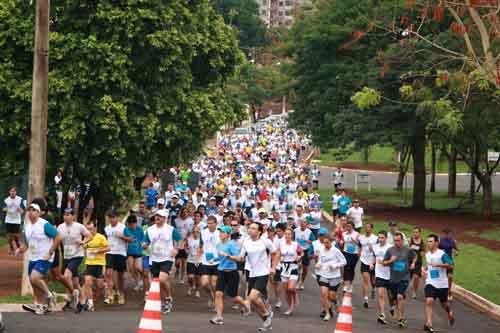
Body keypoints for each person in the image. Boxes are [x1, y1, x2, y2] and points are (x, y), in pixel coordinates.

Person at [18, 202, 61, 315]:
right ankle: (41, 305)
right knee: (34, 283)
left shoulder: (44, 224)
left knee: (34, 277)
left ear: (38, 213)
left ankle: (49, 295)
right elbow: (26, 244)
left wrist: (50, 252)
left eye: (34, 210)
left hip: (45, 257)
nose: (31, 212)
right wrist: (20, 249)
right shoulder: (27, 227)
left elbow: (58, 237)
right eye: (29, 210)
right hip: (33, 257)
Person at [237, 222, 278, 332]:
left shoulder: (265, 241)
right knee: (255, 303)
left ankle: (267, 313)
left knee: (253, 297)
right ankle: (266, 322)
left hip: (263, 272)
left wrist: (273, 267)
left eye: (253, 228)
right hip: (252, 273)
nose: (250, 230)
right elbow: (241, 257)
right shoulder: (246, 242)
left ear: (259, 231)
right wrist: (230, 257)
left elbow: (276, 253)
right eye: (250, 228)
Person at [143, 209, 183, 314]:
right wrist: (144, 245)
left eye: (160, 216)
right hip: (154, 258)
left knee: (162, 279)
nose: (157, 218)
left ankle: (169, 298)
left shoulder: (170, 229)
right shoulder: (150, 230)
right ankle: (162, 302)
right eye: (156, 216)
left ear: (165, 218)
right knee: (157, 282)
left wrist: (176, 249)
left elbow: (180, 240)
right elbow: (145, 242)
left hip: (167, 258)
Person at [209, 226, 250, 325]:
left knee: (233, 297)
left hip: (232, 273)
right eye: (220, 232)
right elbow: (220, 257)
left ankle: (245, 304)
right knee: (218, 294)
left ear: (228, 234)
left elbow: (238, 259)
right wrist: (214, 259)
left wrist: (227, 255)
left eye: (222, 232)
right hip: (221, 272)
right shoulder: (218, 245)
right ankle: (219, 317)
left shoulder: (232, 245)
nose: (220, 234)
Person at [57, 208, 92, 311]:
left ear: (73, 216)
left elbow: (89, 236)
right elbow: (56, 239)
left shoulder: (79, 226)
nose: (66, 217)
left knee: (67, 275)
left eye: (68, 215)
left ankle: (71, 298)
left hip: (77, 255)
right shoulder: (60, 227)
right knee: (75, 282)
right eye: (65, 214)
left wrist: (83, 242)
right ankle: (82, 300)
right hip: (66, 256)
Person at [382, 232, 417, 328]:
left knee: (400, 297)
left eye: (398, 240)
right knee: (395, 299)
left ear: (402, 240)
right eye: (395, 240)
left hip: (404, 277)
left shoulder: (408, 250)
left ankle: (401, 318)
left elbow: (415, 256)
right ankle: (397, 312)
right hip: (393, 279)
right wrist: (390, 261)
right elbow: (384, 263)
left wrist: (413, 263)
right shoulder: (390, 250)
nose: (396, 242)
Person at [423, 234, 455, 332]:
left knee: (444, 303)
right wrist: (425, 269)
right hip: (430, 282)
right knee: (429, 301)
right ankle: (429, 323)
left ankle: (449, 311)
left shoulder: (442, 254)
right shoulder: (427, 254)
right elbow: (429, 266)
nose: (428, 243)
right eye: (428, 241)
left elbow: (451, 265)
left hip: (442, 284)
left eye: (431, 241)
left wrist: (439, 265)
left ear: (436, 243)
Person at [76, 220, 109, 313]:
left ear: (95, 228)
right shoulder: (86, 238)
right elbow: (84, 247)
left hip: (99, 264)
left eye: (91, 228)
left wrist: (98, 251)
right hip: (89, 263)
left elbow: (108, 248)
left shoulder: (101, 237)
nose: (89, 231)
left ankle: (105, 286)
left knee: (99, 285)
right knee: (88, 282)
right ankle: (90, 304)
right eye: (88, 229)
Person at [315, 234, 346, 322]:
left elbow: (344, 261)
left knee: (331, 296)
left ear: (331, 242)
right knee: (324, 294)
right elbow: (321, 260)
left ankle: (335, 302)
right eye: (324, 243)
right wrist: (318, 264)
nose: (326, 245)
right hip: (324, 275)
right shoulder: (321, 250)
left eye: (327, 243)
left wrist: (335, 265)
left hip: (334, 276)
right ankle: (328, 313)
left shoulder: (336, 251)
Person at [104, 209, 132, 305]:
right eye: (110, 218)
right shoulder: (106, 228)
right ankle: (110, 293)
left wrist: (122, 237)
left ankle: (120, 293)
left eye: (113, 217)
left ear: (117, 218)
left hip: (120, 253)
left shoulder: (123, 227)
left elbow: (131, 239)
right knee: (108, 273)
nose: (111, 220)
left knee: (120, 276)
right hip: (109, 252)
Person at [276, 228, 302, 316]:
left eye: (289, 234)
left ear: (292, 235)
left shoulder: (295, 244)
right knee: (286, 290)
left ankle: (295, 295)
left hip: (293, 267)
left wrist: (299, 257)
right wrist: (275, 264)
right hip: (284, 268)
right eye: (286, 234)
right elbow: (278, 254)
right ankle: (290, 307)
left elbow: (301, 253)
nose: (287, 236)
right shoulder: (281, 244)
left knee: (291, 288)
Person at [199, 215, 221, 309]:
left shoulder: (220, 232)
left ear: (216, 223)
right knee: (204, 283)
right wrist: (198, 257)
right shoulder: (203, 232)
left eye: (211, 223)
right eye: (208, 223)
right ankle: (210, 296)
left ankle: (216, 300)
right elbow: (201, 245)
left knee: (214, 283)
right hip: (205, 261)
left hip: (217, 261)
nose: (210, 225)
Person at [372, 230, 393, 325]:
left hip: (390, 275)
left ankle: (392, 306)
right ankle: (382, 315)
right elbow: (374, 256)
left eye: (382, 238)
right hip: (379, 274)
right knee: (380, 294)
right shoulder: (375, 247)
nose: (380, 240)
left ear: (386, 238)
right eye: (379, 238)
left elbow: (393, 260)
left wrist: (385, 263)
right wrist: (372, 263)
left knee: (391, 295)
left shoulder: (390, 248)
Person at [358, 222, 377, 308]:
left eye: (368, 227)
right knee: (365, 280)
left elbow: (377, 251)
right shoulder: (361, 237)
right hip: (364, 261)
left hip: (372, 261)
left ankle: (373, 288)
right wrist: (359, 252)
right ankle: (365, 299)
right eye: (366, 227)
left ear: (372, 229)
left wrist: (372, 248)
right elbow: (360, 246)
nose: (367, 229)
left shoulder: (375, 238)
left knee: (373, 281)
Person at [294, 219, 316, 290]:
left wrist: (310, 241)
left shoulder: (309, 232)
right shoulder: (295, 230)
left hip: (306, 251)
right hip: (297, 251)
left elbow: (314, 241)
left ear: (307, 225)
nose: (303, 224)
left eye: (304, 223)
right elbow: (292, 239)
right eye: (302, 223)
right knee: (298, 267)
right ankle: (297, 282)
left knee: (305, 269)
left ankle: (302, 282)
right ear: (300, 223)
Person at [125, 215, 144, 292]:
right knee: (131, 268)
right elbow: (124, 239)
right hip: (129, 252)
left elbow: (143, 240)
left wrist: (143, 245)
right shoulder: (126, 230)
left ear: (136, 223)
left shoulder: (140, 229)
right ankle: (137, 282)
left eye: (133, 224)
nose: (131, 226)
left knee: (138, 267)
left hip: (138, 251)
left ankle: (144, 278)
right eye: (130, 224)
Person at [3, 186, 24, 255]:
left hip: (16, 220)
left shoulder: (20, 199)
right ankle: (11, 247)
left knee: (16, 235)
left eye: (14, 191)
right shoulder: (6, 200)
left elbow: (22, 210)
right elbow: (3, 209)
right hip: (8, 219)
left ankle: (18, 245)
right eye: (11, 191)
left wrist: (20, 210)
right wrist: (5, 209)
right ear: (9, 192)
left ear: (16, 192)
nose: (12, 192)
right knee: (9, 236)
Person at [438, 228, 458, 301]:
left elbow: (456, 249)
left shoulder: (453, 241)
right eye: (446, 234)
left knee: (450, 277)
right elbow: (436, 249)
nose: (448, 235)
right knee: (442, 277)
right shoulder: (440, 241)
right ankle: (441, 292)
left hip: (449, 261)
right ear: (444, 234)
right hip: (441, 261)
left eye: (449, 234)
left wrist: (456, 252)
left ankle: (449, 291)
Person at [342, 221, 360, 291]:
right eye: (347, 226)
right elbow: (342, 242)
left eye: (350, 226)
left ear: (353, 227)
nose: (348, 228)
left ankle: (350, 282)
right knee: (346, 267)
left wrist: (355, 241)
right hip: (346, 253)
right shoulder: (344, 234)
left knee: (352, 268)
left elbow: (360, 244)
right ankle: (346, 284)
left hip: (354, 254)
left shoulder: (357, 234)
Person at [186, 225, 202, 298]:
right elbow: (185, 247)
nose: (195, 233)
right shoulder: (189, 239)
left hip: (199, 261)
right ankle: (191, 286)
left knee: (198, 277)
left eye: (197, 232)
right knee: (190, 277)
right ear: (192, 232)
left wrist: (198, 258)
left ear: (199, 232)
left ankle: (197, 291)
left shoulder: (202, 241)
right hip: (190, 260)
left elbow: (203, 250)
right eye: (194, 232)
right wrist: (187, 250)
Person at [409, 227, 425, 299]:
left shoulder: (422, 241)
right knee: (408, 277)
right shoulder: (411, 240)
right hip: (410, 261)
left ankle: (414, 292)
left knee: (416, 277)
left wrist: (422, 253)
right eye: (414, 232)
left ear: (419, 233)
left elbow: (424, 252)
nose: (415, 233)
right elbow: (408, 250)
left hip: (418, 262)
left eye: (416, 232)